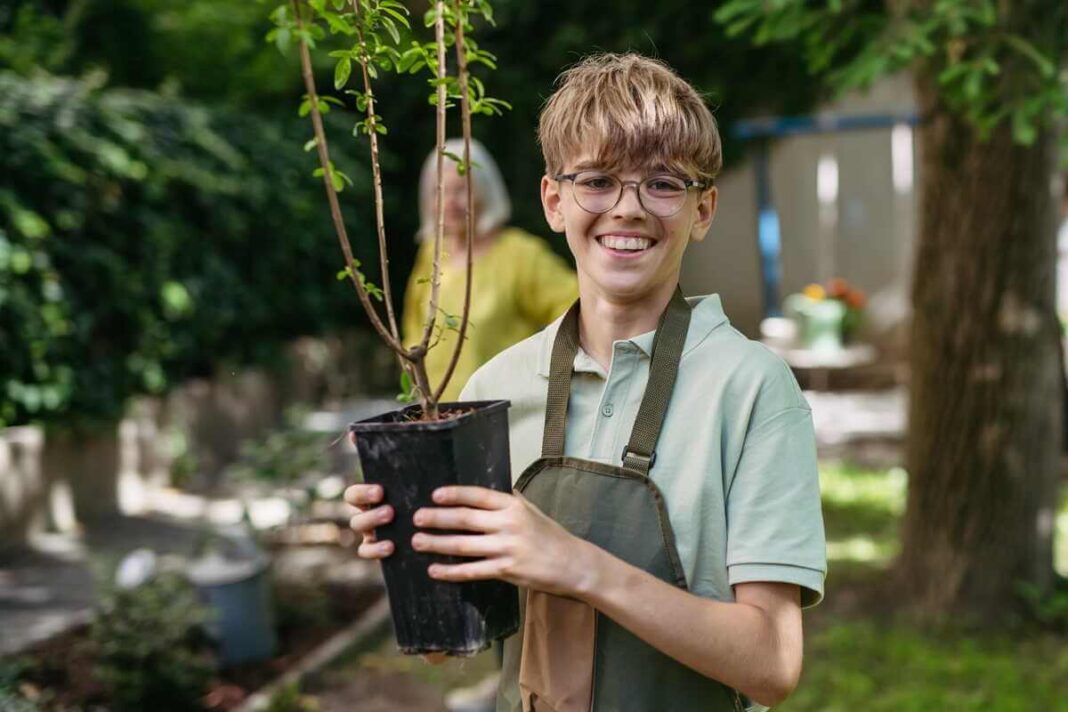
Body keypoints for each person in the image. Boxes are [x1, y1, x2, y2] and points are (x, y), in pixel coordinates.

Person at [348, 53, 826, 710]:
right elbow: (445, 644)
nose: (627, 209)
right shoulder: (498, 386)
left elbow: (772, 664)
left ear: (703, 209)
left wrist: (577, 564)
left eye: (662, 183)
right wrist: (408, 549)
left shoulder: (750, 389)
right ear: (554, 201)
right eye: (598, 181)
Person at [402, 138, 578, 401]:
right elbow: (413, 330)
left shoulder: (519, 254)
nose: (450, 201)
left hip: (501, 417)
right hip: (437, 417)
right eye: (440, 191)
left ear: (485, 192)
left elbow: (578, 305)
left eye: (462, 190)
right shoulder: (431, 254)